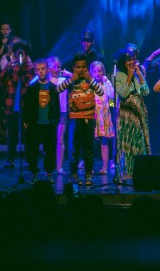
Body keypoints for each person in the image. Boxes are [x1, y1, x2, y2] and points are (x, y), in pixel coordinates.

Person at [57, 52, 105, 186]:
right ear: (73, 68)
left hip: (89, 118)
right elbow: (58, 90)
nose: (81, 70)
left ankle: (89, 174)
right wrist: (71, 79)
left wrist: (90, 79)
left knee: (89, 148)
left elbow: (101, 92)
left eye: (84, 67)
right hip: (74, 118)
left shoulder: (91, 80)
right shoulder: (70, 80)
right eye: (78, 67)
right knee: (74, 148)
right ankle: (73, 174)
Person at [114, 48, 151, 181]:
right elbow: (123, 93)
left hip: (139, 111)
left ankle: (140, 171)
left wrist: (139, 75)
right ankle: (127, 172)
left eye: (133, 59)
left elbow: (146, 92)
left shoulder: (137, 74)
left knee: (140, 141)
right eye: (129, 60)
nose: (132, 62)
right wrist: (129, 76)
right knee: (128, 143)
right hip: (127, 114)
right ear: (123, 61)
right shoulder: (118, 76)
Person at [23, 59, 60, 183]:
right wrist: (27, 122)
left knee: (50, 149)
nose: (41, 72)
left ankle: (49, 172)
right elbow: (27, 106)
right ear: (35, 71)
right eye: (38, 69)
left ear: (47, 69)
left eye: (43, 69)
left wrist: (55, 122)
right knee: (33, 149)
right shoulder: (32, 88)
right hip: (35, 124)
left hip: (49, 124)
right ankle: (34, 172)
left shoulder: (53, 88)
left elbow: (56, 106)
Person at [0, 39, 34, 168]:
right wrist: (10, 64)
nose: (20, 56)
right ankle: (10, 160)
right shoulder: (10, 67)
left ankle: (28, 160)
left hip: (26, 108)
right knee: (12, 135)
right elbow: (1, 80)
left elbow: (31, 83)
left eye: (22, 54)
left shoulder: (30, 68)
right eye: (18, 54)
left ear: (26, 55)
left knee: (27, 135)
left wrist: (22, 65)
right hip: (11, 106)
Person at [90, 61, 114, 175]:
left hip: (103, 114)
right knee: (90, 142)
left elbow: (112, 96)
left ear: (103, 72)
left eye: (99, 71)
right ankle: (89, 166)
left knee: (104, 141)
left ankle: (105, 166)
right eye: (94, 71)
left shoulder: (105, 84)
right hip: (93, 115)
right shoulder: (91, 84)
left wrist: (108, 82)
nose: (97, 73)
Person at [47, 56, 71, 174]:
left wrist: (69, 73)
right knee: (49, 140)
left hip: (62, 113)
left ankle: (59, 167)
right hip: (49, 114)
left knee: (60, 140)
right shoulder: (45, 80)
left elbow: (77, 79)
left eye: (58, 67)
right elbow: (32, 83)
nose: (56, 69)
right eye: (54, 67)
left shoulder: (63, 80)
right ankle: (49, 166)